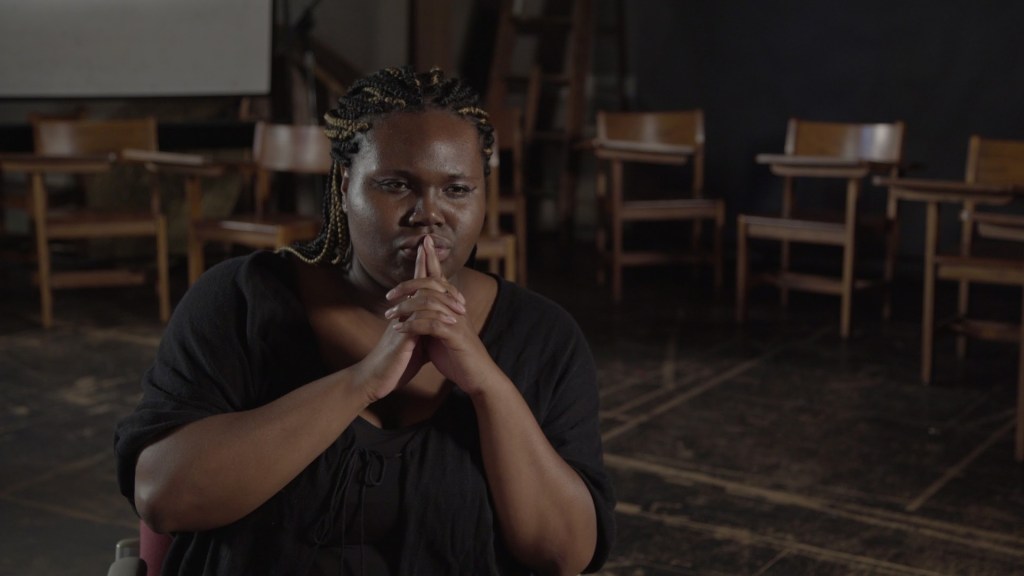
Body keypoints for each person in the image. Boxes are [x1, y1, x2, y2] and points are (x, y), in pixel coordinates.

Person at [114, 66, 615, 575]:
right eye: (395, 184)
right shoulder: (240, 300)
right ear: (345, 185)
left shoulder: (543, 336)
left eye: (458, 189)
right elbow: (164, 498)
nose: (429, 213)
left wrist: (487, 384)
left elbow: (566, 553)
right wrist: (363, 381)